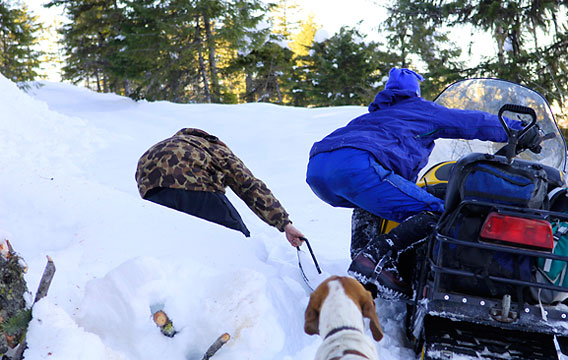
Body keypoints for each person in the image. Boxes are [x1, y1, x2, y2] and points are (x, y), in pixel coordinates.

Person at [306, 68, 542, 298]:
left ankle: (363, 264)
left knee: (370, 202)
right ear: (415, 93)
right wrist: (518, 130)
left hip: (318, 168)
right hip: (356, 164)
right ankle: (374, 257)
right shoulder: (419, 110)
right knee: (438, 212)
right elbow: (470, 122)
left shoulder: (373, 116)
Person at [136, 128, 305, 247]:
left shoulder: (166, 145)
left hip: (152, 194)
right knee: (239, 241)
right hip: (196, 186)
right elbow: (248, 185)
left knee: (182, 245)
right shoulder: (213, 147)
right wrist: (284, 224)